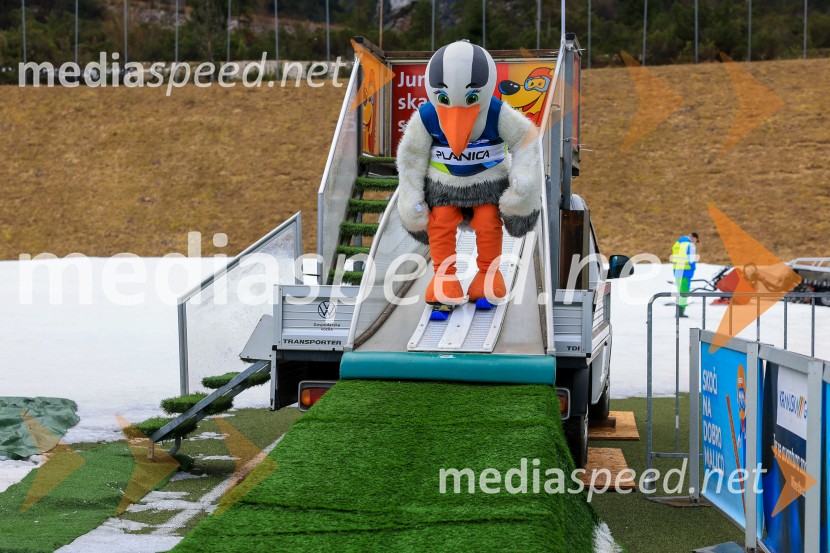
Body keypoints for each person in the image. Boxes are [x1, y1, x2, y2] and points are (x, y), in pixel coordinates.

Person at [670, 232, 699, 318]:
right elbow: (691, 259)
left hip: (677, 269)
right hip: (686, 270)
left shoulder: (678, 243)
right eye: (696, 240)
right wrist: (693, 268)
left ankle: (679, 310)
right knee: (684, 291)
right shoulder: (690, 245)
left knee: (680, 290)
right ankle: (680, 312)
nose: (695, 242)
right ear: (693, 238)